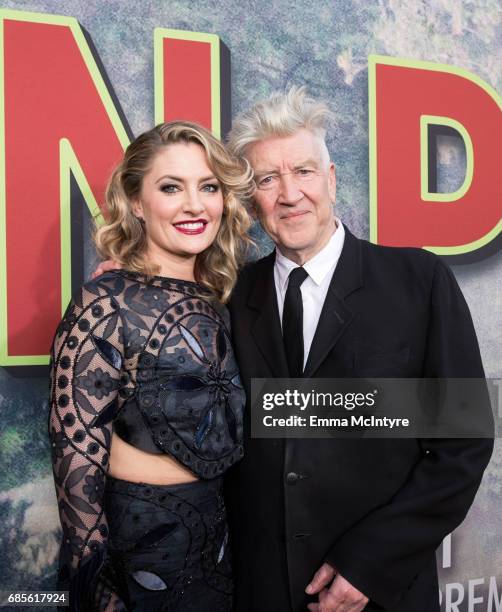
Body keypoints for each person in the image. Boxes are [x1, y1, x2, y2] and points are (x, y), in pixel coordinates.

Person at [222, 87, 494, 612]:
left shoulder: (419, 280)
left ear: (331, 179)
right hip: (261, 592)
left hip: (381, 592)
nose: (288, 193)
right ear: (250, 199)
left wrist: (372, 563)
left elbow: (463, 444)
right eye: (267, 179)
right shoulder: (231, 297)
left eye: (302, 172)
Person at [48, 120, 253, 611]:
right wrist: (98, 588)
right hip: (140, 549)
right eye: (170, 187)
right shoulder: (105, 301)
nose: (194, 205)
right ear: (136, 202)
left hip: (223, 549)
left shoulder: (222, 300)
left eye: (208, 187)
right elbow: (76, 454)